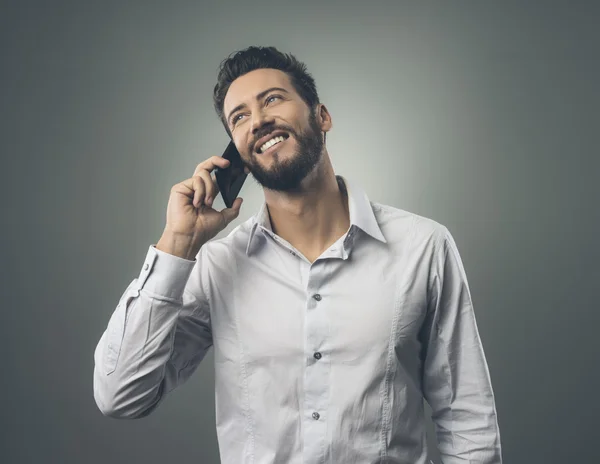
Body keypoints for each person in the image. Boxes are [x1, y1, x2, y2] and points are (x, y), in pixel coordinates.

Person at [93, 46, 502, 464]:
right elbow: (121, 395)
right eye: (239, 117)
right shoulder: (217, 267)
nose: (259, 121)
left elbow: (467, 417)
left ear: (321, 116)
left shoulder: (423, 246)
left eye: (272, 99)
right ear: (236, 152)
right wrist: (177, 244)